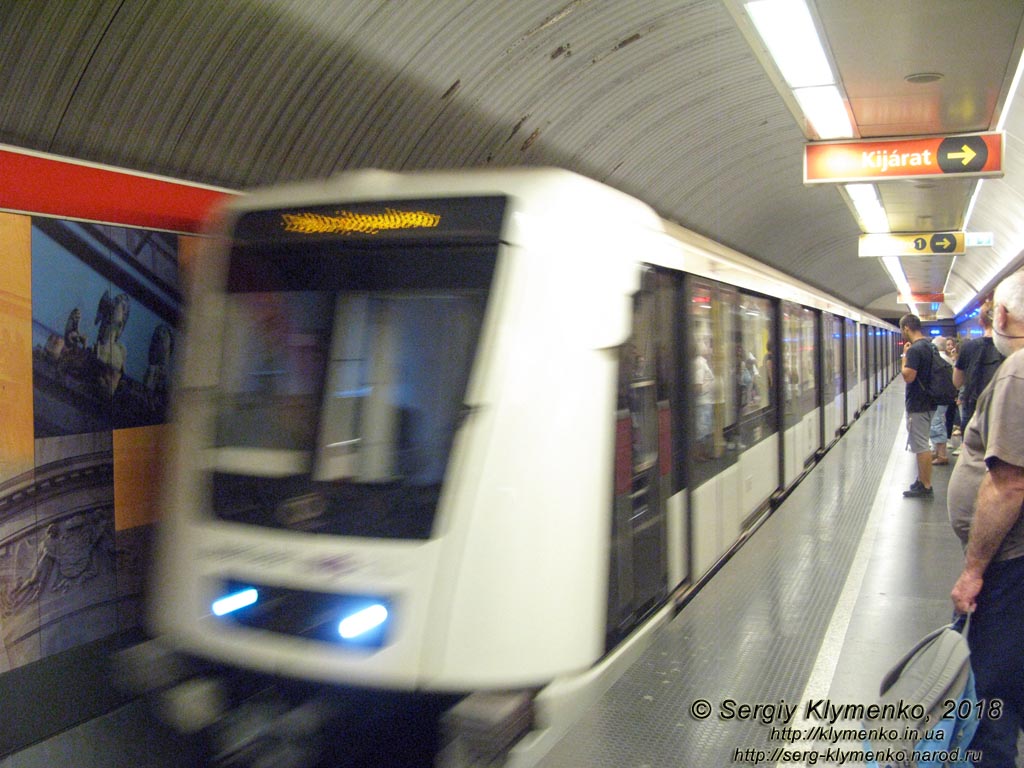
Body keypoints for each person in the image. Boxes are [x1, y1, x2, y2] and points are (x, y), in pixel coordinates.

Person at [949, 269, 1024, 767]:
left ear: (1000, 313)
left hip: (1012, 565)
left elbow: (1009, 483)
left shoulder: (1019, 370)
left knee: (990, 699)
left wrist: (974, 570)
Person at [899, 313, 936, 497]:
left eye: (902, 330)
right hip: (929, 402)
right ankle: (921, 479)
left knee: (921, 446)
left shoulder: (914, 350)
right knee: (922, 443)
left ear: (906, 328)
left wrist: (904, 358)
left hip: (918, 404)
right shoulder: (929, 345)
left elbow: (908, 376)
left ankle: (926, 485)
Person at [954, 300, 1006, 431]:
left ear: (981, 322)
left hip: (973, 406)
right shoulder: (1008, 348)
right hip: (1001, 407)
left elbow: (957, 382)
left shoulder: (967, 347)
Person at [929, 336, 952, 466]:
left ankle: (942, 455)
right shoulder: (947, 359)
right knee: (937, 423)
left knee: (937, 424)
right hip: (944, 397)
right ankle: (937, 451)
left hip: (939, 397)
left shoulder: (940, 359)